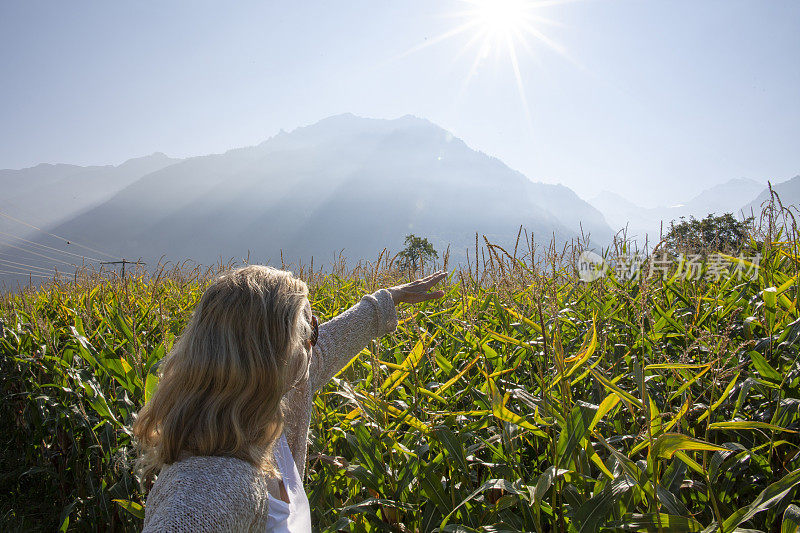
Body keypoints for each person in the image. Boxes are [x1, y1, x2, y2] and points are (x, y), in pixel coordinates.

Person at [133, 265, 447, 532]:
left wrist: (389, 299)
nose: (315, 339)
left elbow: (327, 347)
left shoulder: (279, 403)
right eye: (308, 328)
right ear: (271, 356)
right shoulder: (208, 488)